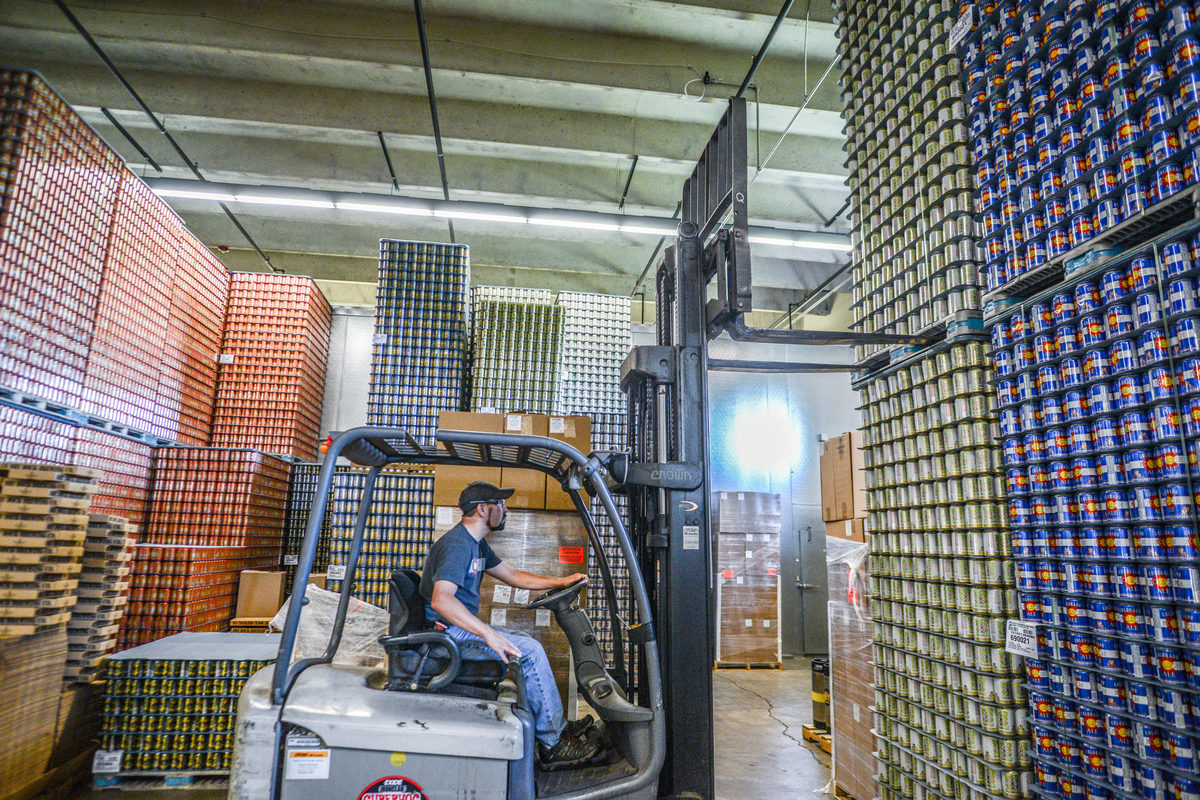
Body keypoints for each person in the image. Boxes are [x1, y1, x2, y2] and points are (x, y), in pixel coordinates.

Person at [419, 480, 601, 769]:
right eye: (500, 505)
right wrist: (488, 633)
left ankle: (557, 728)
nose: (506, 510)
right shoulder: (457, 546)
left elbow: (514, 575)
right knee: (527, 650)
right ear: (482, 509)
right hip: (446, 635)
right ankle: (554, 744)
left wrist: (561, 581)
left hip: (457, 630)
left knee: (524, 641)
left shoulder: (475, 545)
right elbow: (442, 600)